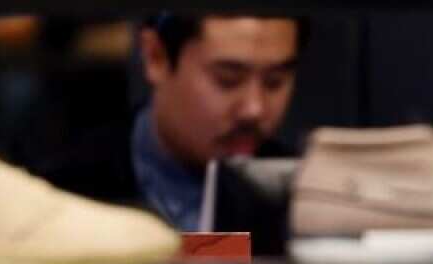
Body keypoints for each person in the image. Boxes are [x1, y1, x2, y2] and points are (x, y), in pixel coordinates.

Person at [38, 13, 306, 231]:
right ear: (156, 57)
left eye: (274, 82)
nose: (253, 109)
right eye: (228, 79)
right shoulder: (61, 195)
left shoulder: (305, 198)